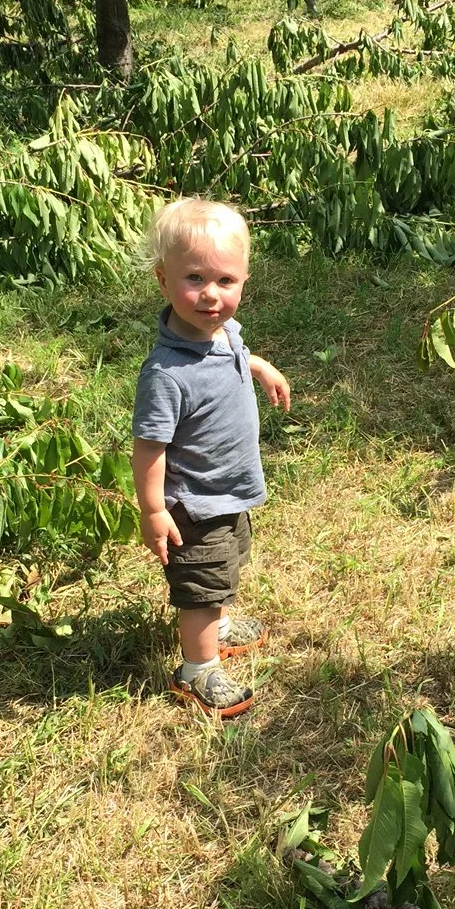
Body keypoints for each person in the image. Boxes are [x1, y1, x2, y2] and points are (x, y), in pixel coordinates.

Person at [131, 198, 291, 718]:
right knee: (199, 585)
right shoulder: (166, 373)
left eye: (226, 281)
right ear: (162, 280)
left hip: (229, 491)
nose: (211, 295)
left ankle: (218, 625)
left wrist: (261, 368)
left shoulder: (223, 332)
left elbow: (235, 352)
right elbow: (149, 447)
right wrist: (154, 510)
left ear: (244, 280)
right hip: (193, 506)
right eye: (194, 278)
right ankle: (197, 670)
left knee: (225, 567)